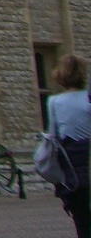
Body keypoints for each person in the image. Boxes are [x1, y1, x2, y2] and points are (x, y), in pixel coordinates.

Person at [47, 54, 91, 238]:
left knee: (82, 221)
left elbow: (52, 138)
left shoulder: (54, 102)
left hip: (72, 170)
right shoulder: (88, 98)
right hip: (86, 160)